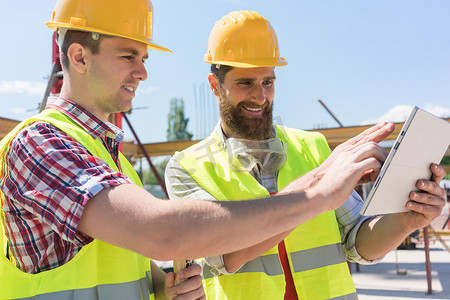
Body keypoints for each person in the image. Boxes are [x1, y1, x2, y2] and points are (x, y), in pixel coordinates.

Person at [165, 10, 447, 300]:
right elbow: (225, 255)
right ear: (215, 86)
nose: (260, 97)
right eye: (245, 83)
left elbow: (358, 241)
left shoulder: (314, 147)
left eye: (268, 82)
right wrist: (318, 190)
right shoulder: (186, 167)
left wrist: (406, 221)